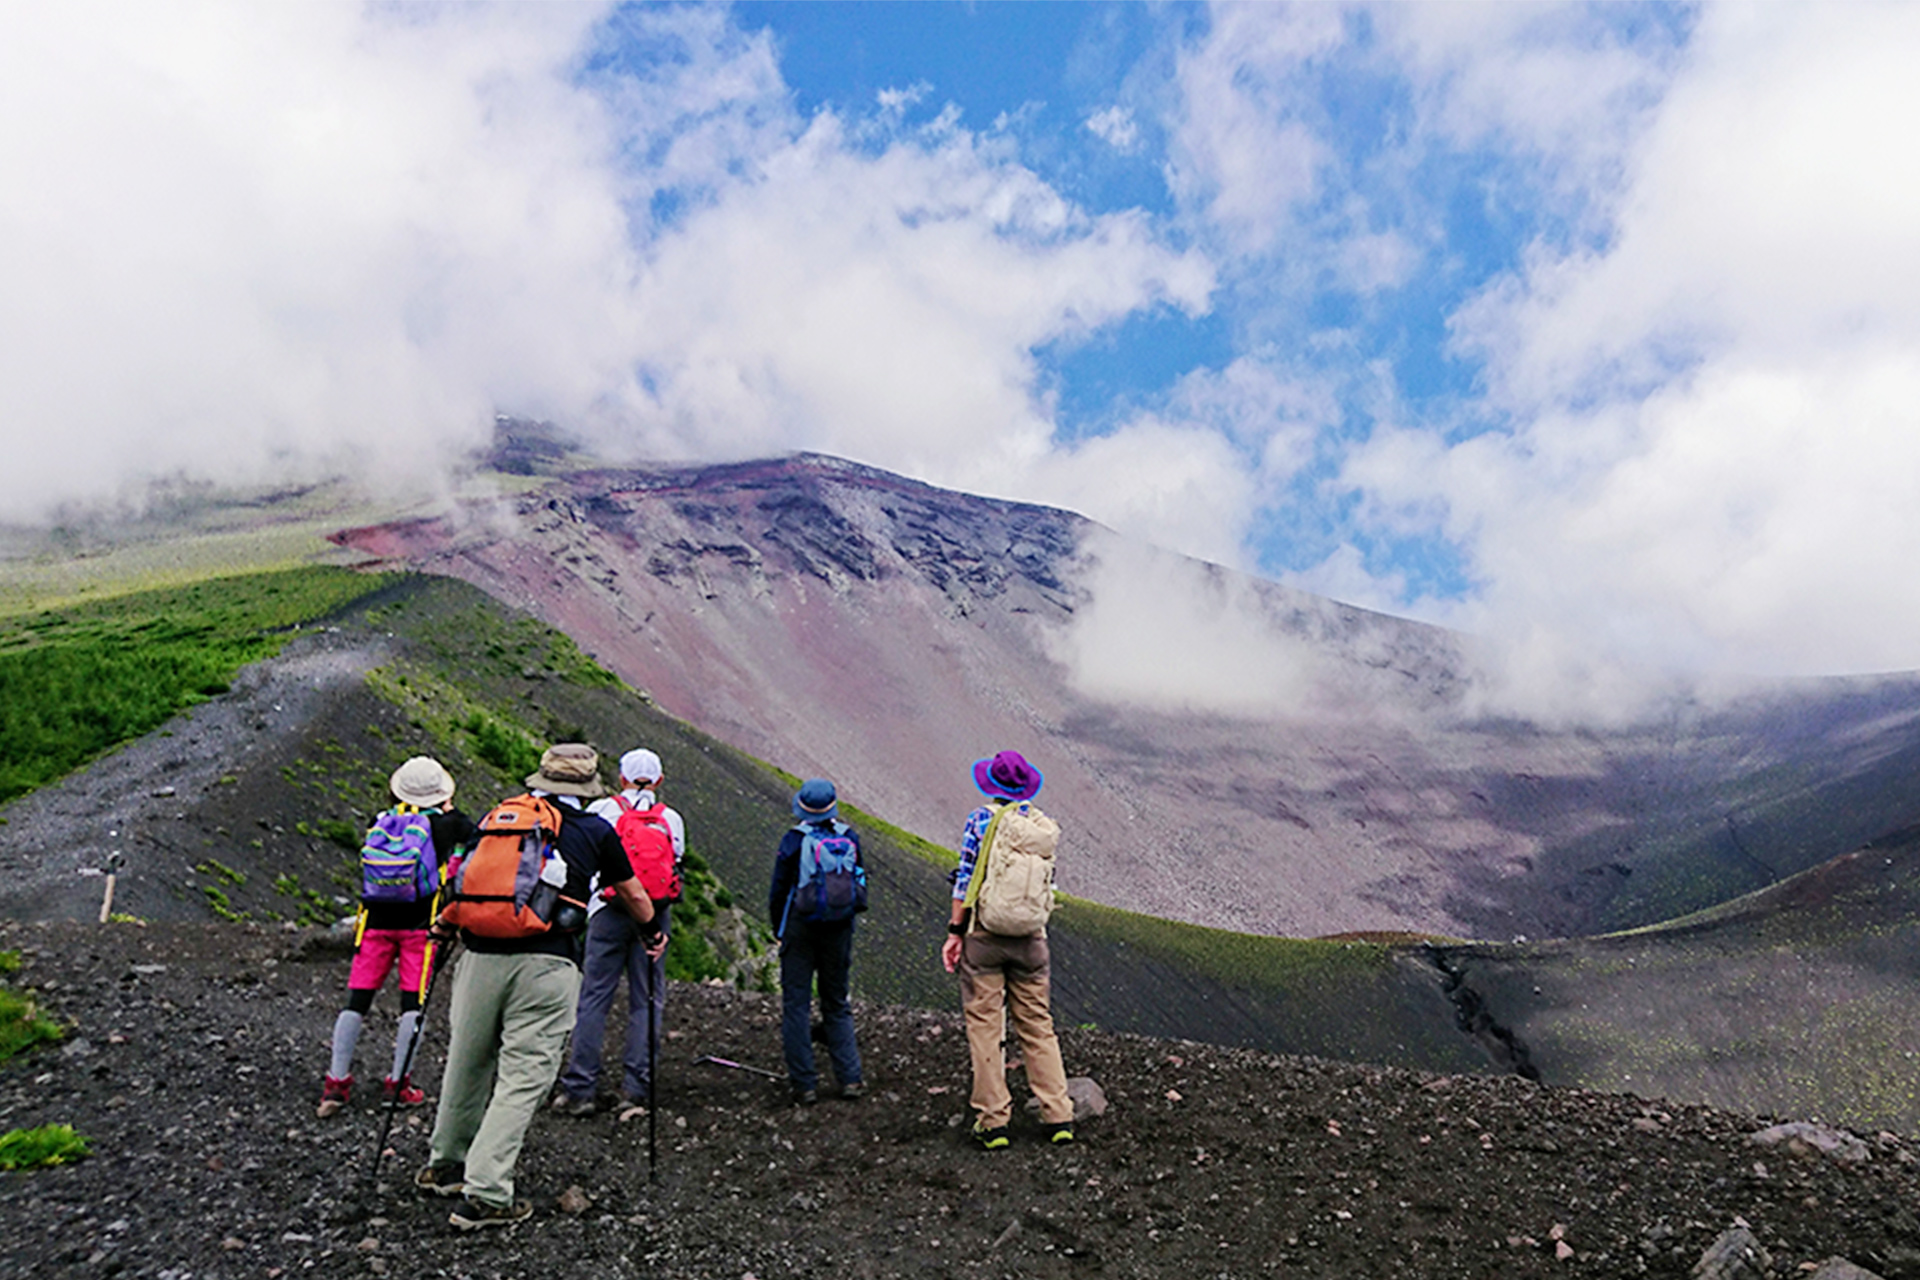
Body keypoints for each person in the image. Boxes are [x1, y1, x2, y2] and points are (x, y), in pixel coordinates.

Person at [416, 743, 666, 1230]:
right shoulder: (595, 830)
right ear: (588, 784)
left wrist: (446, 928)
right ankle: (486, 1192)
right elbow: (633, 892)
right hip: (545, 965)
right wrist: (652, 932)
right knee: (524, 1075)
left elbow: (461, 878)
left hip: (478, 956)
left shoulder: (501, 819)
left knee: (467, 1061)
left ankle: (446, 1165)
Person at [317, 756, 479, 1119]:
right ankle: (397, 1084)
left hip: (374, 922)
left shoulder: (384, 820)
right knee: (412, 1003)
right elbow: (474, 846)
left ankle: (336, 1082)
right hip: (421, 926)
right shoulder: (452, 824)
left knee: (356, 1000)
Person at [940, 750, 1075, 1149]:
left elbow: (966, 878)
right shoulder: (1040, 828)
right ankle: (1059, 1116)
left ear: (991, 784)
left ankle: (993, 1121)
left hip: (984, 937)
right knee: (1038, 1027)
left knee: (985, 1027)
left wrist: (954, 932)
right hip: (1032, 941)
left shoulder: (980, 820)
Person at [551, 747, 684, 1115]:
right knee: (647, 999)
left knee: (594, 996)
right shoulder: (671, 819)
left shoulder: (602, 812)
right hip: (654, 914)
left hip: (607, 910)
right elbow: (676, 868)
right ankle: (636, 1087)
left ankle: (580, 1087)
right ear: (658, 780)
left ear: (621, 778)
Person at [767, 778, 866, 1104]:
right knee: (836, 1002)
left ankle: (804, 1084)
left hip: (800, 927)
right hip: (839, 928)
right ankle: (850, 1079)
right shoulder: (848, 837)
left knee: (796, 1003)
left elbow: (779, 889)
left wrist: (778, 929)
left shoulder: (794, 840)